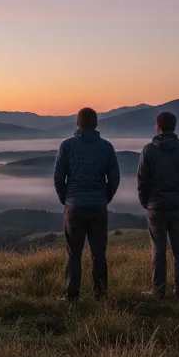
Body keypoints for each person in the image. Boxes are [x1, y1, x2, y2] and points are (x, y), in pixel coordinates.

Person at [53, 107, 121, 301]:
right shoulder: (106, 147)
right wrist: (104, 198)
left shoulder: (67, 146)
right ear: (96, 124)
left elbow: (58, 177)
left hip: (74, 206)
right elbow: (114, 177)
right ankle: (100, 295)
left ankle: (72, 295)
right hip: (98, 205)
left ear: (77, 123)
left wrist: (66, 200)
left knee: (73, 253)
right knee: (99, 253)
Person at [136, 111, 179, 298]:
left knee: (158, 249)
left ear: (158, 126)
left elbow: (142, 180)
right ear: (175, 126)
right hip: (177, 205)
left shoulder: (148, 150)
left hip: (156, 206)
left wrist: (146, 202)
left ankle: (158, 290)